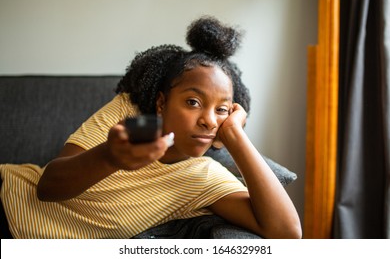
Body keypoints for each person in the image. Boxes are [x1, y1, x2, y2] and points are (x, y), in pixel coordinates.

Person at [0, 16, 302, 239]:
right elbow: (47, 188)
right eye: (194, 102)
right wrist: (110, 157)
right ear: (161, 103)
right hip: (7, 195)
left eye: (221, 110)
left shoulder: (204, 179)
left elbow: (288, 233)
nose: (209, 119)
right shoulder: (126, 113)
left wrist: (235, 135)